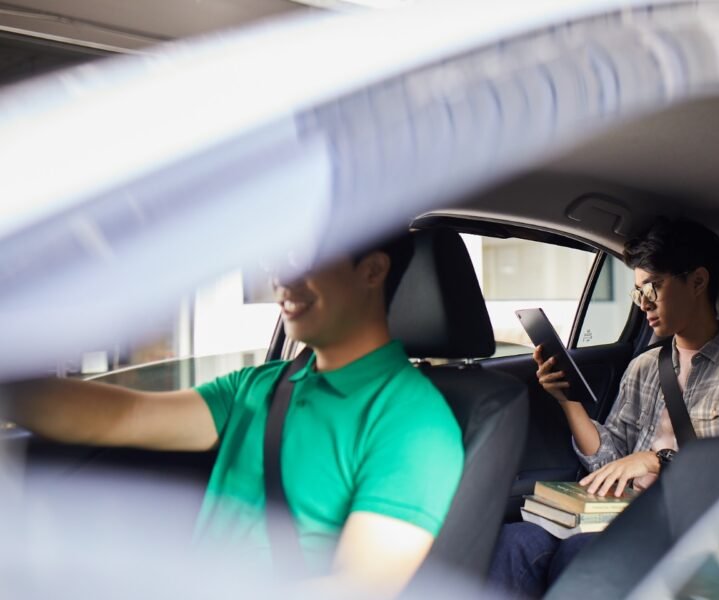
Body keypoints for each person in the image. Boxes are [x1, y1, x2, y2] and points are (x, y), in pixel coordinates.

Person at [3, 233, 464, 597]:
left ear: (373, 271)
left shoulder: (415, 424)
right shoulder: (260, 386)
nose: (281, 276)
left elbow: (354, 590)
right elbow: (123, 416)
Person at [488, 219, 719, 598]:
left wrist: (658, 462)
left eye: (653, 287)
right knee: (514, 542)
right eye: (638, 291)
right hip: (622, 510)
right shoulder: (645, 366)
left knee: (584, 551)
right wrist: (568, 400)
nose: (643, 303)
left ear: (697, 281)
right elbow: (610, 459)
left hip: (687, 524)